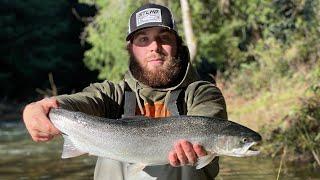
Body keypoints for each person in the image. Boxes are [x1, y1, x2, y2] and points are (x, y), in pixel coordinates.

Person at [22, 3, 227, 180]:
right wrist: (35, 109)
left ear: (178, 45)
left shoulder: (203, 93)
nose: (154, 47)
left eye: (163, 38)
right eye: (143, 39)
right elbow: (71, 103)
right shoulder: (111, 93)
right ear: (131, 49)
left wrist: (195, 150)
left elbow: (207, 126)